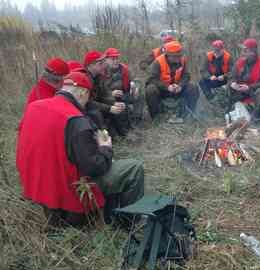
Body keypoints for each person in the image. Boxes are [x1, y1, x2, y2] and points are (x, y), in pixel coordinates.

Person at [16, 71, 145, 227]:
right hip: (70, 195)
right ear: (83, 92)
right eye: (88, 97)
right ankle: (127, 223)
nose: (87, 102)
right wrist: (106, 148)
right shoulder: (76, 120)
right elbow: (95, 167)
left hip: (39, 188)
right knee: (134, 168)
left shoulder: (34, 107)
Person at [145, 41, 199, 124]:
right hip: (163, 90)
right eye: (175, 56)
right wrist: (167, 87)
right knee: (150, 89)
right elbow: (152, 79)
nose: (178, 58)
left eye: (179, 56)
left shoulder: (182, 60)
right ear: (168, 55)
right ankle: (157, 118)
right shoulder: (158, 62)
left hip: (178, 89)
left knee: (193, 87)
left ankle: (188, 115)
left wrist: (180, 86)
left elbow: (186, 76)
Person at [228, 38, 260, 123]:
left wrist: (249, 87)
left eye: (245, 50)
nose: (243, 53)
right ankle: (227, 112)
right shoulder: (240, 62)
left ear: (253, 51)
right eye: (243, 50)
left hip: (254, 92)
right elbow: (231, 76)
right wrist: (232, 83)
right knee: (225, 88)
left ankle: (257, 118)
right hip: (241, 92)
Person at [101, 47, 132, 136]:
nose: (116, 61)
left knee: (139, 93)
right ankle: (123, 132)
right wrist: (111, 93)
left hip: (124, 94)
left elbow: (130, 81)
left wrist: (133, 84)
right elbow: (99, 92)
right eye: (112, 59)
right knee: (119, 105)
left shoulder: (124, 68)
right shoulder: (101, 71)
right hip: (107, 98)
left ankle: (135, 121)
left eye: (117, 58)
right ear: (106, 59)